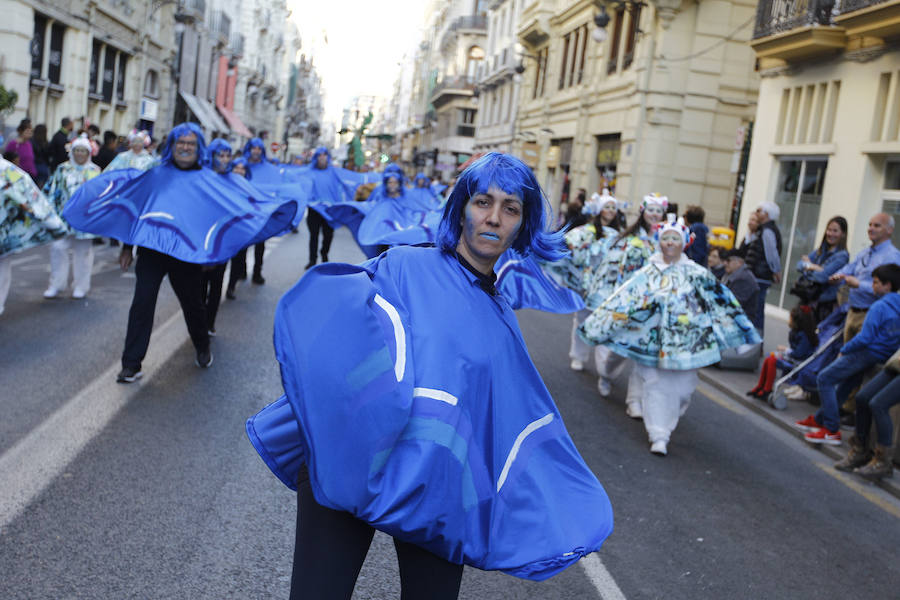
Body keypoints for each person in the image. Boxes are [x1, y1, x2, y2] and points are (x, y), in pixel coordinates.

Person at [245, 152, 613, 597]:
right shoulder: (402, 265)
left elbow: (512, 417)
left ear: (523, 224)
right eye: (483, 202)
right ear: (461, 208)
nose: (494, 218)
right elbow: (333, 327)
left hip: (437, 487)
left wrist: (563, 506)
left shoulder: (502, 319)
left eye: (510, 208)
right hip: (354, 458)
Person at [579, 217, 761, 455]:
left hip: (686, 344)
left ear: (684, 242)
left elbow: (721, 301)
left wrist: (742, 337)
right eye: (666, 238)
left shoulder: (695, 272)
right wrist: (598, 323)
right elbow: (623, 298)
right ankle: (659, 434)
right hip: (651, 343)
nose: (670, 243)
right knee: (655, 383)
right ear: (659, 242)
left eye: (675, 238)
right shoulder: (648, 271)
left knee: (682, 390)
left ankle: (666, 416)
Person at [116, 125, 214, 381]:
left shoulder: (206, 179)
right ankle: (131, 364)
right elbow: (138, 209)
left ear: (198, 147)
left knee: (193, 303)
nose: (185, 147)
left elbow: (213, 219)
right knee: (142, 302)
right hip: (153, 249)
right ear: (171, 146)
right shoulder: (155, 175)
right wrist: (128, 245)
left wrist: (212, 255)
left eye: (191, 143)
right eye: (180, 142)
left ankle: (202, 346)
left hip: (187, 253)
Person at [796, 263, 900, 445]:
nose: (873, 286)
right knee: (846, 384)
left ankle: (830, 429)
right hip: (882, 355)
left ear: (887, 285)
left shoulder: (878, 307)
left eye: (876, 283)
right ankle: (820, 419)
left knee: (825, 378)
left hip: (866, 352)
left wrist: (844, 350)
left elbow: (865, 338)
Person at [583, 193, 666, 402]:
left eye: (658, 210)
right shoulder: (628, 239)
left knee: (644, 355)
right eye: (651, 210)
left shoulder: (666, 238)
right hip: (626, 301)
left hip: (652, 306)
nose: (655, 214)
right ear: (642, 212)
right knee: (619, 347)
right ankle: (606, 374)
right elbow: (612, 267)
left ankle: (635, 401)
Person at [564, 189, 625, 372]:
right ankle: (578, 356)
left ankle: (604, 368)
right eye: (607, 207)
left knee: (605, 323)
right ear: (599, 210)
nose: (611, 211)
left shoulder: (619, 234)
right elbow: (571, 246)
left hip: (608, 286)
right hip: (586, 284)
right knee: (582, 320)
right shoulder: (587, 231)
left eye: (613, 207)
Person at [0, 157, 67, 316]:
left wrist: (51, 222)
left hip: (3, 229)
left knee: (1, 264)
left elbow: (27, 194)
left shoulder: (6, 170)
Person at [41, 135, 102, 299]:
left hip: (84, 221)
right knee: (57, 248)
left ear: (88, 153)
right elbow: (52, 191)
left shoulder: (95, 171)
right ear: (72, 152)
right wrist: (47, 212)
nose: (80, 154)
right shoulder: (62, 169)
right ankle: (56, 284)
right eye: (77, 150)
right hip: (63, 219)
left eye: (83, 151)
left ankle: (81, 286)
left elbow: (101, 196)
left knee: (83, 253)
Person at [828, 213, 900, 345]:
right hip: (852, 312)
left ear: (889, 230)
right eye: (870, 225)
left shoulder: (892, 256)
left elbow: (888, 291)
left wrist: (859, 284)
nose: (870, 228)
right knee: (847, 357)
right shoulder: (865, 252)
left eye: (877, 225)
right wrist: (838, 276)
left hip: (871, 317)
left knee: (856, 359)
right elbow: (849, 268)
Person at [834, 346, 899, 480]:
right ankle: (860, 450)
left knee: (879, 404)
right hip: (897, 362)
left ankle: (883, 462)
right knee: (862, 397)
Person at [747, 304, 817, 402]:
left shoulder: (804, 336)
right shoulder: (799, 333)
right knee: (769, 357)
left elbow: (799, 353)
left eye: (790, 318)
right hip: (795, 358)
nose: (789, 320)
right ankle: (760, 386)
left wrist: (786, 350)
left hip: (799, 362)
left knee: (772, 360)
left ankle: (767, 389)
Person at [794, 216, 849, 322]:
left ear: (843, 234)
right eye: (829, 230)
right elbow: (799, 265)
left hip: (823, 306)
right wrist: (813, 267)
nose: (831, 234)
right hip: (808, 299)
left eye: (835, 231)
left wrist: (809, 267)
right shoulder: (821, 250)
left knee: (812, 337)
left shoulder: (842, 256)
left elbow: (822, 277)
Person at [225, 157, 266, 298]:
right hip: (225, 230)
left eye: (242, 168)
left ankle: (231, 287)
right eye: (236, 167)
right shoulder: (222, 184)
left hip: (242, 229)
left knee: (238, 260)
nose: (239, 171)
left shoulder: (250, 187)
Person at [743, 202, 782, 333]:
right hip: (759, 274)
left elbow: (772, 253)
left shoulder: (767, 231)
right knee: (755, 309)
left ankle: (757, 342)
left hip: (760, 275)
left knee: (757, 310)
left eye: (759, 211)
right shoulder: (764, 230)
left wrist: (776, 270)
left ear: (767, 214)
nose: (756, 213)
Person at [305, 147, 336, 269]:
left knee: (328, 235)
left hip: (329, 210)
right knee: (314, 235)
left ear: (327, 157)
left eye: (324, 155)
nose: (322, 157)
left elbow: (348, 180)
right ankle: (312, 260)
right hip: (314, 210)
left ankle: (324, 254)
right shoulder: (309, 171)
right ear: (316, 157)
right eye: (319, 155)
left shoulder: (334, 172)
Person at [720, 249, 759, 317]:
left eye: (728, 260)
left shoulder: (743, 278)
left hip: (740, 320)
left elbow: (734, 304)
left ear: (740, 262)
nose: (725, 263)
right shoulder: (732, 274)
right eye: (724, 260)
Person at [31, 124, 51, 188]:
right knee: (41, 188)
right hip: (43, 167)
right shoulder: (46, 142)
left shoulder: (31, 141)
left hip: (34, 166)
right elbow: (48, 156)